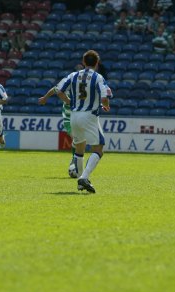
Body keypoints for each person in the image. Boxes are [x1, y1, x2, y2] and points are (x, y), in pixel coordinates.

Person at [54, 50, 112, 193]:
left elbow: (59, 90)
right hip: (89, 116)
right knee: (98, 149)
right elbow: (104, 97)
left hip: (74, 115)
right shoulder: (98, 77)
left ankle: (80, 183)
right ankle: (84, 178)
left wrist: (68, 101)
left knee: (79, 149)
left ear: (83, 62)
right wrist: (106, 105)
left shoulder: (73, 75)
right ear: (97, 63)